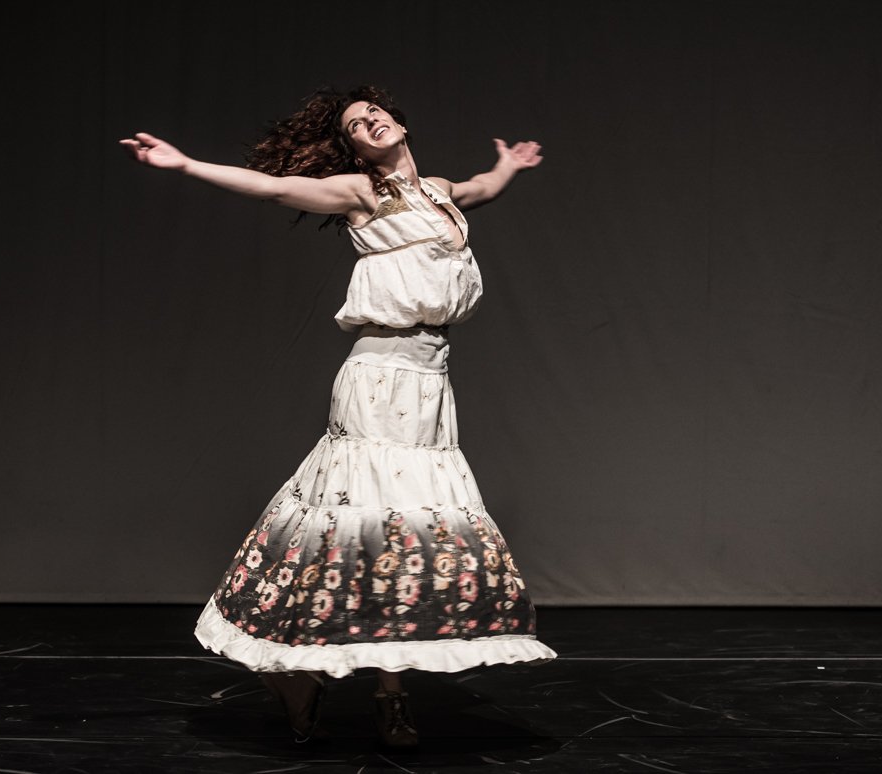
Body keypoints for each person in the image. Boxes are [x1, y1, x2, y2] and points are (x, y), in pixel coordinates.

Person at [121, 85, 556, 748]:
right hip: (379, 375)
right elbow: (273, 189)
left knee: (405, 532)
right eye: (355, 124)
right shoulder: (360, 193)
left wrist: (507, 166)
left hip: (431, 378)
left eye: (374, 112)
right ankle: (388, 696)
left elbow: (480, 189)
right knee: (375, 522)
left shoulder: (438, 191)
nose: (369, 120)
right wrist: (184, 164)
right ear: (353, 150)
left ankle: (322, 676)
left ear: (399, 121)